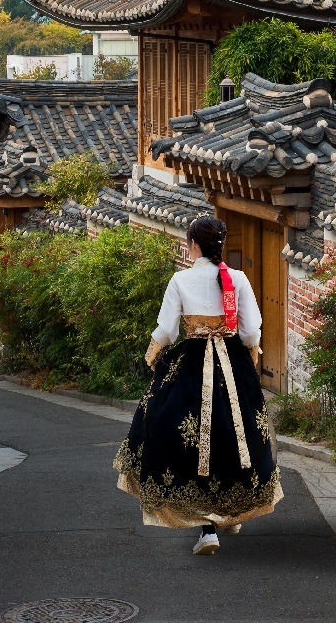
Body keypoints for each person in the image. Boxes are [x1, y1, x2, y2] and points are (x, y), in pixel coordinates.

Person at [113, 215, 280, 555]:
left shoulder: (180, 280)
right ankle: (228, 513)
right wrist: (251, 355)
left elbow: (167, 329)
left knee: (189, 438)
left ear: (193, 244)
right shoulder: (238, 279)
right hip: (232, 364)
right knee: (234, 436)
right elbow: (251, 331)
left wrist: (152, 354)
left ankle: (208, 530)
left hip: (191, 364)